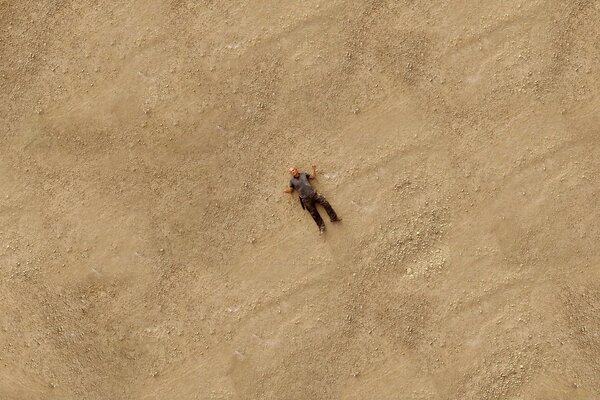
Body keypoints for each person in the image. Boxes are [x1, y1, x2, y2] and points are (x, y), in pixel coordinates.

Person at [284, 164, 341, 234]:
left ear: (296, 169)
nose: (293, 172)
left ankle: (334, 218)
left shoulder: (303, 174)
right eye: (291, 171)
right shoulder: (292, 181)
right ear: (291, 173)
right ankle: (321, 227)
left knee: (325, 203)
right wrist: (286, 190)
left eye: (293, 170)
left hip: (313, 194)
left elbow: (313, 177)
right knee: (314, 213)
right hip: (305, 199)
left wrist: (313, 169)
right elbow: (291, 190)